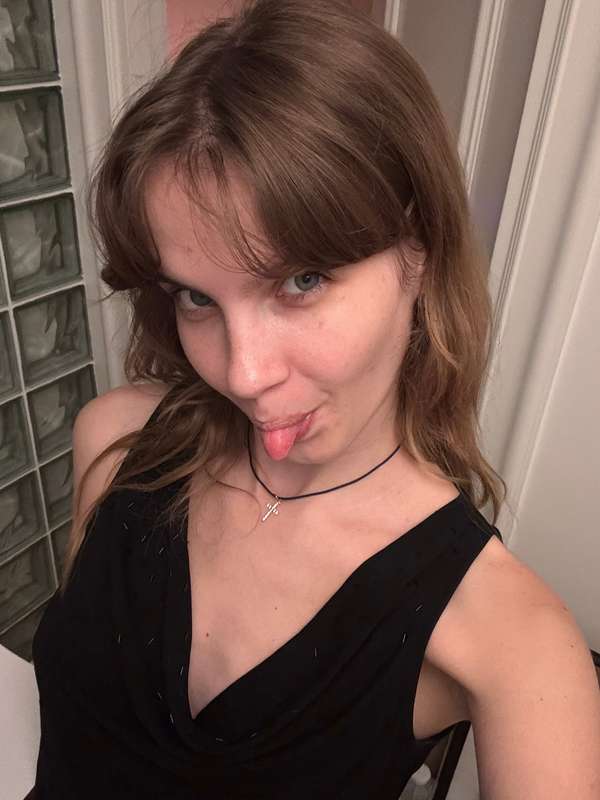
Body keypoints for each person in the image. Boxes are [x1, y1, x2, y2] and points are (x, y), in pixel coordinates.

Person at [29, 1, 600, 798]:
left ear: (420, 252)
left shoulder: (512, 642)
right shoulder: (115, 445)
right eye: (196, 297)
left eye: (301, 280)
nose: (244, 373)